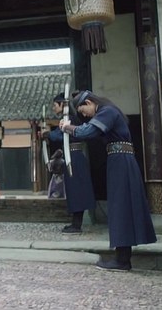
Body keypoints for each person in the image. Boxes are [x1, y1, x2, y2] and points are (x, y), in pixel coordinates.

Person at [59, 90, 157, 271]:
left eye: (83, 111)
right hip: (118, 161)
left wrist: (68, 127)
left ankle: (122, 260)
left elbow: (87, 131)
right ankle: (122, 257)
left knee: (121, 207)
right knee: (120, 208)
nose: (84, 115)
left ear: (89, 103)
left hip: (121, 162)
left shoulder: (108, 112)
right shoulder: (108, 112)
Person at [47, 93, 97, 234]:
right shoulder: (70, 118)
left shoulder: (69, 119)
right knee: (74, 190)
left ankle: (77, 225)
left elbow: (59, 135)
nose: (53, 108)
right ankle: (75, 223)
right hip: (73, 156)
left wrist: (48, 134)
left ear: (62, 104)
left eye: (55, 105)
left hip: (74, 157)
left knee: (77, 190)